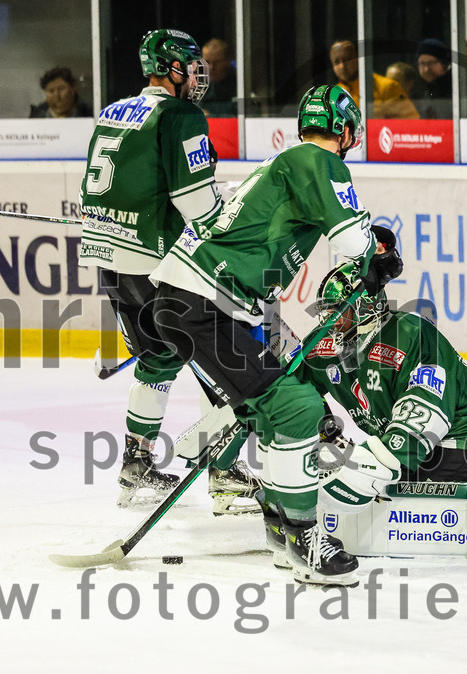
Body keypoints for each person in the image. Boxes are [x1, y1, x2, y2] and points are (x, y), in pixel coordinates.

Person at [148, 84, 403, 586]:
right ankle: (302, 539)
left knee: (271, 409)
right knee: (297, 408)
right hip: (202, 305)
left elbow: (348, 239)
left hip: (190, 302)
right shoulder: (319, 161)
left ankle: (282, 531)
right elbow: (352, 242)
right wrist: (374, 259)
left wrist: (371, 254)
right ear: (348, 130)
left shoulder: (287, 160)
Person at [297, 262, 467, 560]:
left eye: (339, 311)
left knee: (378, 475)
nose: (330, 320)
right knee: (369, 470)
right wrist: (318, 439)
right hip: (435, 438)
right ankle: (445, 498)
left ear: (366, 307)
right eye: (327, 311)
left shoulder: (412, 334)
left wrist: (371, 465)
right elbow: (293, 392)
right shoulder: (324, 345)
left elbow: (425, 415)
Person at [78, 29, 228, 508]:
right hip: (155, 262)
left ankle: (136, 464)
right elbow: (195, 202)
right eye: (191, 63)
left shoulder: (112, 112)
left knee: (159, 356)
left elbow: (105, 189)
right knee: (223, 358)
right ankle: (225, 473)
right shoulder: (180, 113)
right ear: (174, 68)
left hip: (109, 257)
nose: (197, 74)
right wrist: (226, 223)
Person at [329, 40, 417, 120]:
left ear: (358, 58)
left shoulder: (387, 87)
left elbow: (411, 122)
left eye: (347, 59)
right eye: (337, 62)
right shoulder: (333, 95)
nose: (342, 66)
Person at [413, 38, 467, 119]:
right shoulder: (419, 89)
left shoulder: (460, 88)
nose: (426, 69)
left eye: (431, 63)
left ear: (444, 64)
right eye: (422, 63)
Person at [199, 38, 238, 117]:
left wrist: (210, 116)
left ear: (228, 61)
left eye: (217, 62)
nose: (211, 67)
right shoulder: (195, 88)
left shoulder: (239, 89)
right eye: (207, 62)